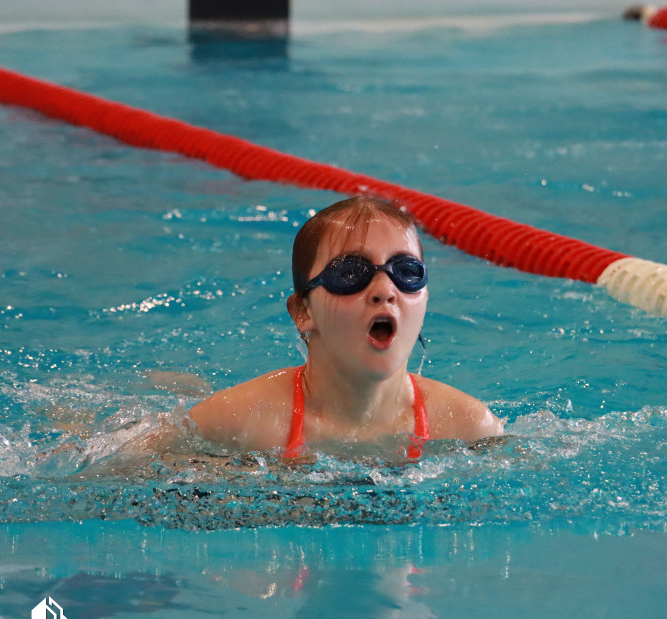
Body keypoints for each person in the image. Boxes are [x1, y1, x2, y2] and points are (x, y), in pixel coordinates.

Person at [188, 196, 503, 460]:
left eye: (406, 271)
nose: (385, 290)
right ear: (303, 311)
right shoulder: (236, 422)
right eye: (351, 272)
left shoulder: (469, 429)